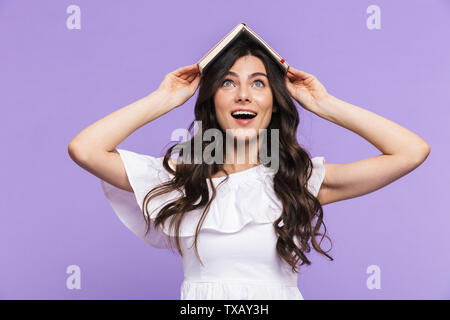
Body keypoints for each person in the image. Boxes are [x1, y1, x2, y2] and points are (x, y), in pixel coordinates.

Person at [68, 35, 430, 300]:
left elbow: (411, 151)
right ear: (213, 100)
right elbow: (85, 149)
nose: (244, 94)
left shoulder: (296, 181)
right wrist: (164, 98)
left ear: (274, 101)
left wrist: (324, 103)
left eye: (258, 83)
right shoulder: (181, 180)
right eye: (228, 82)